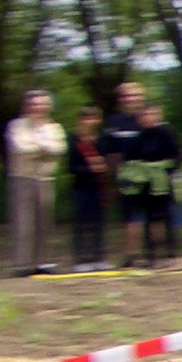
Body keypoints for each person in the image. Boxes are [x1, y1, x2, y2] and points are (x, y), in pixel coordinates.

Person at [5, 89, 66, 276]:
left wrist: (38, 148)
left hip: (45, 179)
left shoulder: (54, 127)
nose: (38, 108)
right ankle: (21, 264)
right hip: (22, 179)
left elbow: (60, 149)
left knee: (45, 223)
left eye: (42, 104)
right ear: (27, 106)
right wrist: (44, 149)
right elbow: (20, 148)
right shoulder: (16, 126)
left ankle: (44, 262)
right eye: (34, 104)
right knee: (24, 224)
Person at [119, 104, 182, 267]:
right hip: (143, 185)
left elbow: (177, 157)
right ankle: (151, 254)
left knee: (164, 217)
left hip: (163, 183)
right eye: (144, 115)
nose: (148, 118)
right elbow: (128, 161)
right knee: (148, 219)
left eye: (151, 115)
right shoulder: (136, 139)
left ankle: (169, 252)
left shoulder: (166, 135)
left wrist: (164, 169)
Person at [102, 82, 148, 265]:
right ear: (121, 100)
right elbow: (110, 152)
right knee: (129, 218)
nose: (132, 99)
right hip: (126, 175)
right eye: (127, 96)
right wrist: (116, 175)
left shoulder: (149, 118)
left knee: (152, 216)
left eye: (136, 95)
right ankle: (131, 255)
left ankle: (153, 254)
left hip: (150, 173)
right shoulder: (114, 122)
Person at [65, 107, 110, 271]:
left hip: (99, 186)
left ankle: (99, 257)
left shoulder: (103, 138)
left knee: (99, 223)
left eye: (93, 118)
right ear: (80, 120)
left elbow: (107, 160)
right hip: (81, 187)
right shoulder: (74, 139)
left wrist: (103, 167)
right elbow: (71, 167)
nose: (90, 121)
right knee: (81, 223)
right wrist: (89, 169)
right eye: (86, 118)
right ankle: (81, 260)